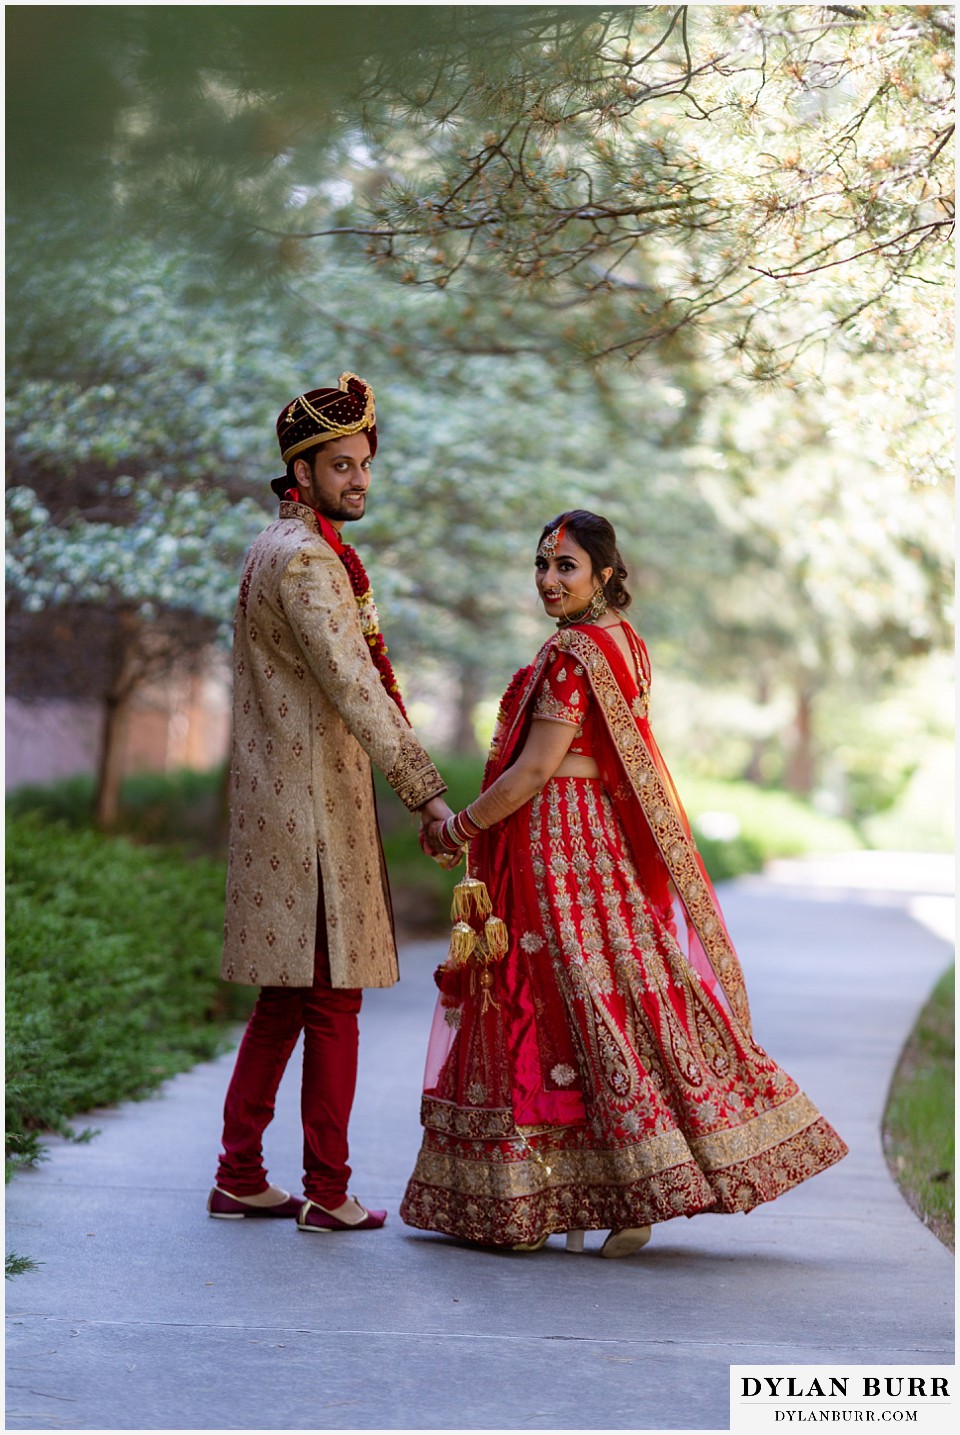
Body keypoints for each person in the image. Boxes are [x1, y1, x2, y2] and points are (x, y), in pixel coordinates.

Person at [403, 509, 847, 1255]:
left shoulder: (576, 652)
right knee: (612, 996)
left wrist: (459, 828)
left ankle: (588, 1190)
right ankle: (617, 1188)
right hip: (596, 843)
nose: (548, 580)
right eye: (541, 566)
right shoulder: (626, 644)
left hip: (559, 844)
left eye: (565, 566)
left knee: (557, 1002)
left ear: (604, 572)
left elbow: (536, 769)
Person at [209, 372, 451, 1234]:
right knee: (331, 1000)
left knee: (285, 998)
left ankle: (240, 1172)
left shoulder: (269, 545)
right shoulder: (309, 561)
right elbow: (356, 687)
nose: (358, 480)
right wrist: (425, 793)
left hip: (288, 801)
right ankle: (329, 1187)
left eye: (364, 465)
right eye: (340, 466)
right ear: (299, 473)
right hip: (309, 812)